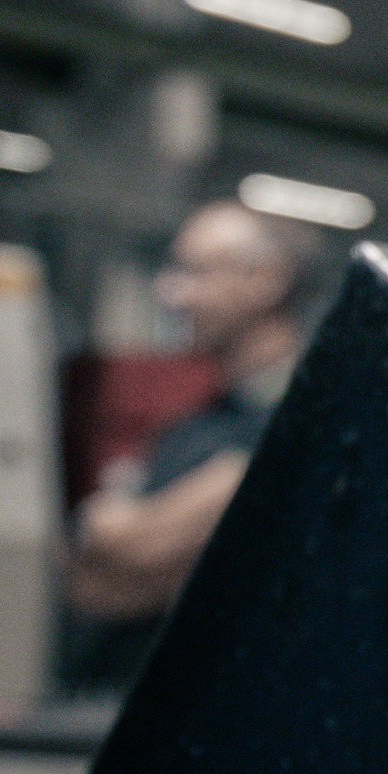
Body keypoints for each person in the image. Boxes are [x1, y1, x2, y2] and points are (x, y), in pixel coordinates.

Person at [64, 200, 332, 688]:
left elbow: (140, 552)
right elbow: (87, 575)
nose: (170, 293)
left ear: (266, 280)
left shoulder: (301, 424)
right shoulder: (198, 421)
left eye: (195, 272)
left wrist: (120, 535)